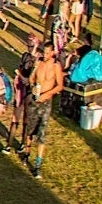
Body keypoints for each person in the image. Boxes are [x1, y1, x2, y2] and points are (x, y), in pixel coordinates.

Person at [22, 41, 62, 181]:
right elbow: (31, 80)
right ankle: (27, 153)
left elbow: (59, 86)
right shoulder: (39, 63)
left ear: (52, 53)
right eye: (43, 52)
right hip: (35, 99)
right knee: (30, 128)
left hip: (46, 101)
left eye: (47, 52)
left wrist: (47, 94)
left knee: (42, 132)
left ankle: (38, 164)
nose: (44, 55)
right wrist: (34, 69)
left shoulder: (56, 66)